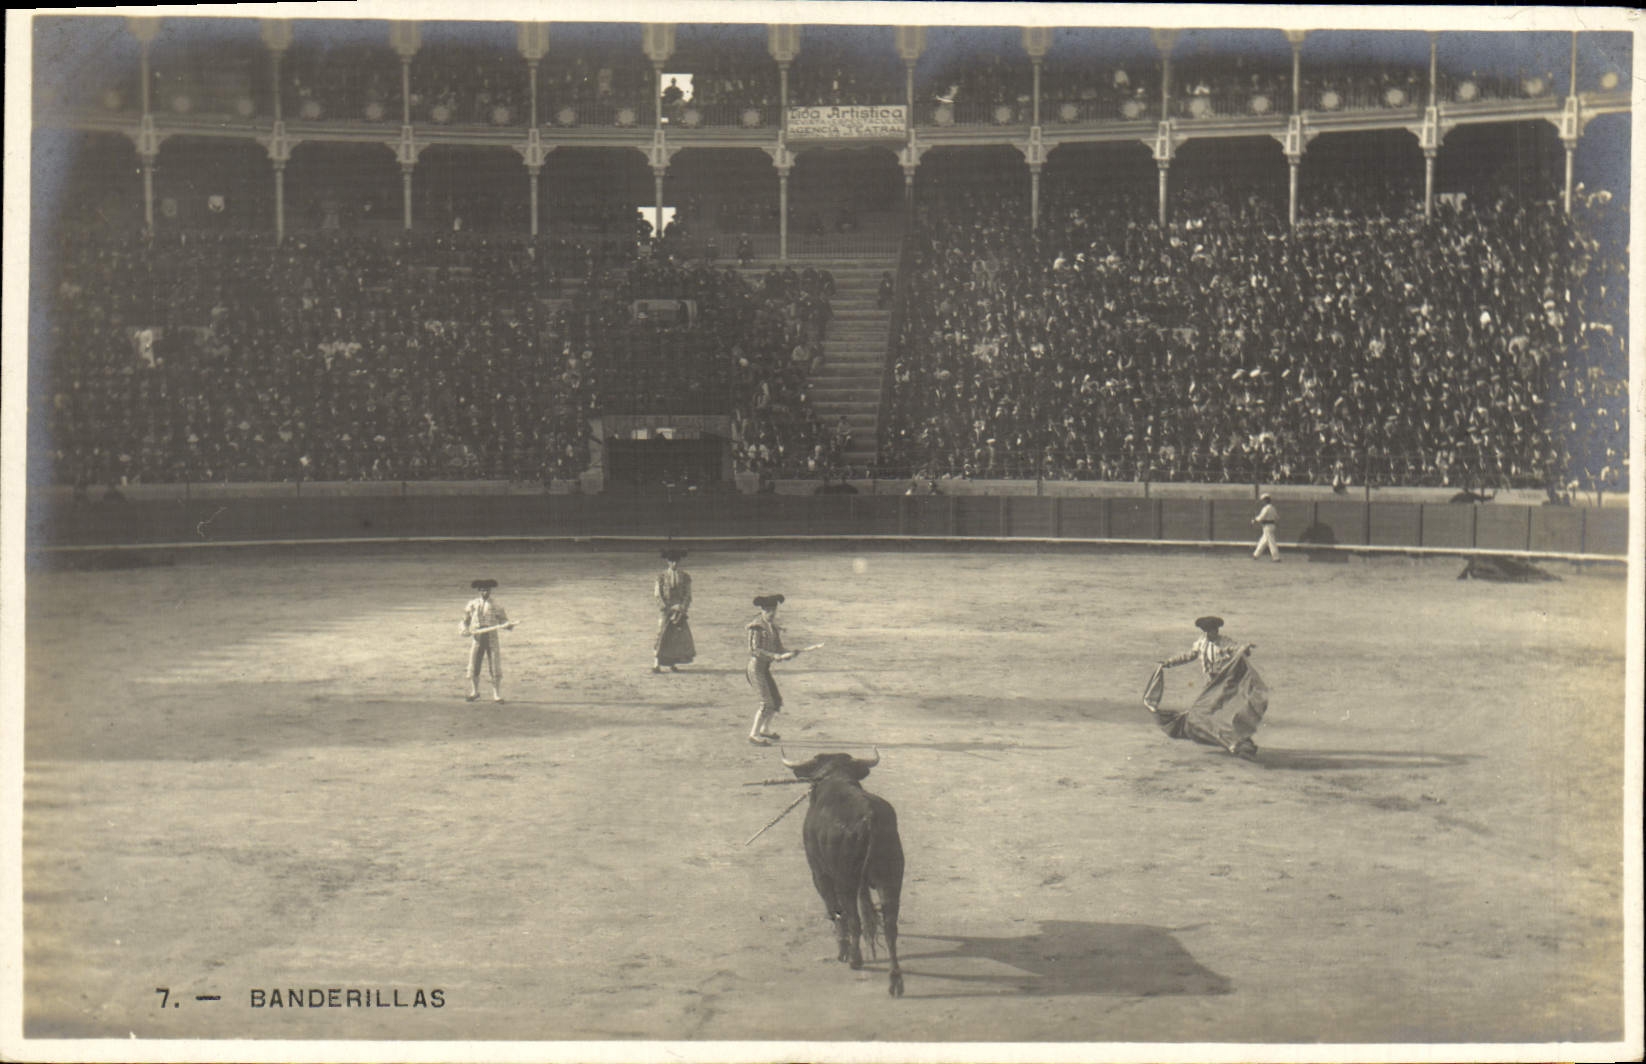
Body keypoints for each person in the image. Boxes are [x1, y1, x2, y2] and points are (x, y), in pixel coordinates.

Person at [1146, 616, 1267, 760]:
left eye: (1211, 631)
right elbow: (1189, 656)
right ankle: (1239, 743)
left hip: (1227, 684)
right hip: (1210, 685)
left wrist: (1244, 648)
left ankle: (1238, 742)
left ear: (1216, 630)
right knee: (1209, 715)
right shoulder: (1201, 643)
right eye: (1206, 631)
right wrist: (1169, 662)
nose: (1209, 634)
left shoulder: (1225, 642)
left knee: (1210, 714)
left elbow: (1236, 650)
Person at [746, 594, 805, 745]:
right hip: (755, 669)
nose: (772, 614)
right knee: (766, 703)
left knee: (776, 701)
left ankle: (764, 729)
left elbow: (779, 648)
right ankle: (753, 734)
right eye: (768, 610)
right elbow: (754, 650)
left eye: (774, 610)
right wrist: (774, 656)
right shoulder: (756, 626)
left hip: (764, 669)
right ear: (762, 611)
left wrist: (789, 653)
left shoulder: (773, 627)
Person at [460, 578, 515, 703]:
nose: (485, 592)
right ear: (479, 591)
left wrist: (508, 625)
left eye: (487, 590)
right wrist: (464, 630)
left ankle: (496, 695)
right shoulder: (472, 604)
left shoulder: (497, 605)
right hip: (477, 637)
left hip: (491, 637)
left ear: (490, 591)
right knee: (474, 664)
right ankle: (474, 692)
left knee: (494, 665)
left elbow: (503, 621)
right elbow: (465, 620)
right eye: (482, 590)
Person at [652, 548, 695, 672]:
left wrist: (682, 608)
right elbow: (657, 595)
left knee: (676, 637)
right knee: (661, 634)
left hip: (679, 610)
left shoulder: (685, 577)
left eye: (676, 561)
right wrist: (667, 607)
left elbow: (688, 594)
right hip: (666, 610)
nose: (674, 564)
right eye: (672, 561)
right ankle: (656, 664)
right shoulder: (661, 577)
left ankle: (671, 664)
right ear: (667, 562)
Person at [1251, 493, 1281, 562]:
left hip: (1267, 526)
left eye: (1263, 500)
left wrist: (1255, 520)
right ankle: (1256, 554)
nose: (1262, 502)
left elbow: (1261, 517)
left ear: (1265, 500)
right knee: (1263, 541)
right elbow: (1277, 517)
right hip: (1271, 525)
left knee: (1271, 542)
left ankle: (1276, 557)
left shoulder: (1266, 508)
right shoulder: (1273, 508)